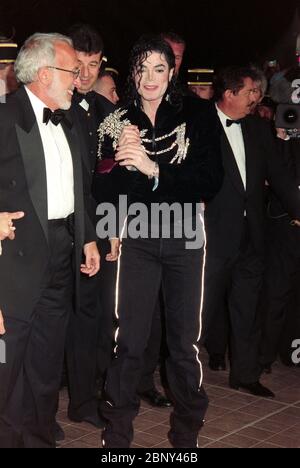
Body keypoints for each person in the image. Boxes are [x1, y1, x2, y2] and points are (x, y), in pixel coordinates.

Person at [94, 34, 223, 448]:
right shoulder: (117, 117)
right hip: (138, 238)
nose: (150, 78)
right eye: (142, 68)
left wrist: (153, 169)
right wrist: (120, 164)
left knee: (184, 344)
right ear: (133, 72)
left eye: (159, 68)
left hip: (185, 236)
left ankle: (186, 438)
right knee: (128, 341)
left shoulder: (199, 114)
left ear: (172, 72)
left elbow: (210, 180)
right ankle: (116, 438)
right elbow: (101, 187)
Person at [0, 32, 100, 448]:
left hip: (62, 250)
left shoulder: (72, 117)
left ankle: (39, 438)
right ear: (44, 74)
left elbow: (82, 185)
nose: (79, 78)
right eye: (72, 70)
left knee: (45, 361)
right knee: (7, 366)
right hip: (13, 260)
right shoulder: (4, 118)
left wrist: (88, 237)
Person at [202, 66, 300, 398]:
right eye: (249, 93)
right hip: (212, 236)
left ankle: (245, 374)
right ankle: (186, 375)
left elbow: (282, 179)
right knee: (202, 308)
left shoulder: (259, 129)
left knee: (247, 306)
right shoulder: (201, 126)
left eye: (257, 93)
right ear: (228, 94)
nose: (256, 98)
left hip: (252, 234)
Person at [64, 23, 114, 430]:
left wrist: (112, 229)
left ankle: (87, 396)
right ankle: (69, 401)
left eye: (92, 65)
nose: (84, 74)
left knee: (95, 317)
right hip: (63, 232)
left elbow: (113, 178)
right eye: (77, 65)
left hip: (100, 231)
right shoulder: (53, 106)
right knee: (67, 319)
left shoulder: (107, 112)